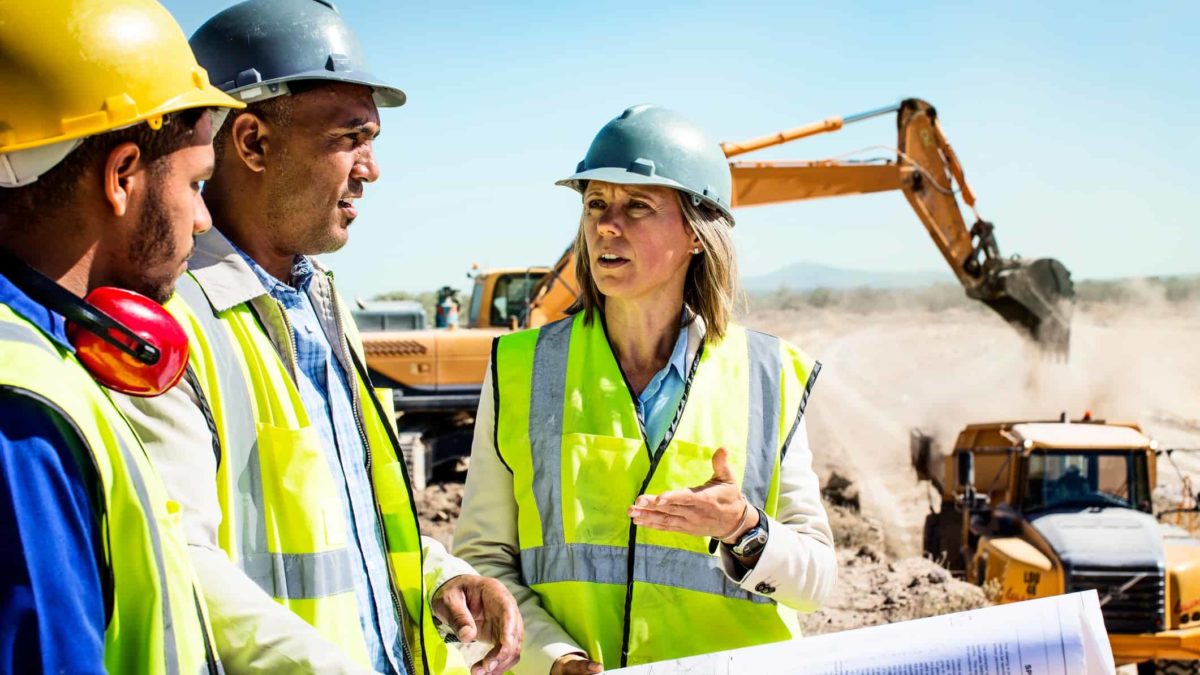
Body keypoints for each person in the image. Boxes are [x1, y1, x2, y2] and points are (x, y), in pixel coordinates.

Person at [114, 1, 522, 673]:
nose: (371, 167)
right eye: (350, 137)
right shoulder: (166, 320)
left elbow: (353, 528)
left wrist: (438, 579)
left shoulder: (322, 303)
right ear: (251, 143)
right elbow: (178, 566)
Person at [454, 105, 838, 674]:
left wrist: (744, 528)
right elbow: (485, 560)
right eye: (595, 204)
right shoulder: (521, 368)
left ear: (698, 234)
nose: (608, 225)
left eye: (638, 206)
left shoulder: (768, 373)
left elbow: (817, 582)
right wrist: (556, 660)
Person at [0, 1, 244, 672]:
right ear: (121, 175)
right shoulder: (23, 410)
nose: (200, 220)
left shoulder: (40, 358)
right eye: (197, 184)